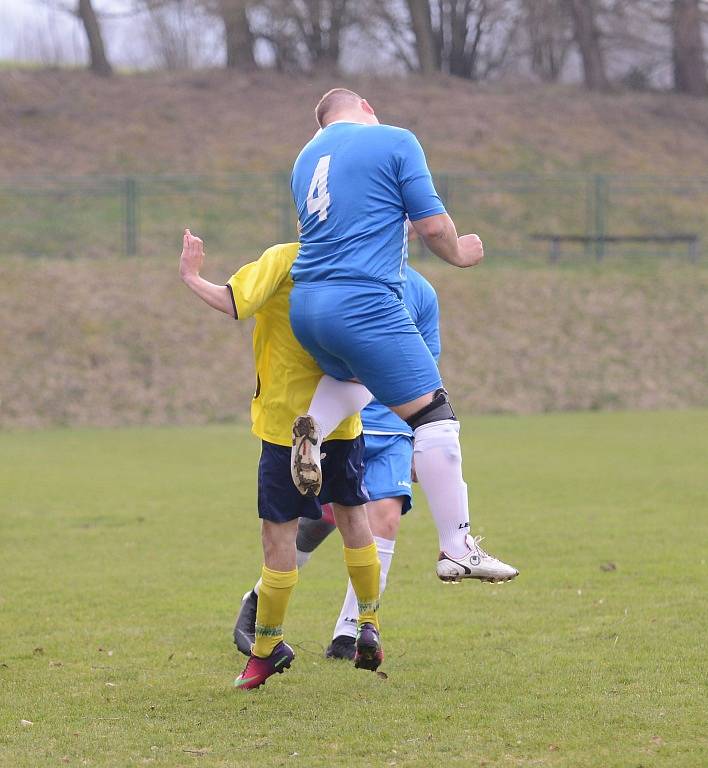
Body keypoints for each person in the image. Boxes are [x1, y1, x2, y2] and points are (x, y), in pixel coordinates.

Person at [288, 88, 518, 584]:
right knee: (435, 416)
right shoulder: (394, 140)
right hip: (364, 300)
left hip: (307, 304)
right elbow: (434, 225)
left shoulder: (305, 160)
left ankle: (313, 426)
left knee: (355, 377)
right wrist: (461, 254)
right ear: (367, 106)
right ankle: (458, 545)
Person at [178, 230, 384, 689]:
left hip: (286, 426)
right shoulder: (357, 264)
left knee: (278, 538)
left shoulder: (285, 259)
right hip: (343, 424)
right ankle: (367, 620)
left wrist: (192, 276)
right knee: (354, 519)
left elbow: (235, 302)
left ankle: (267, 649)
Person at [235, 266, 440, 661]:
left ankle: (354, 633)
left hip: (392, 427)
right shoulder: (335, 276)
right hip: (335, 421)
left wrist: (423, 433)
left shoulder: (421, 292)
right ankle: (259, 602)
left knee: (383, 518)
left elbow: (425, 367)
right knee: (317, 523)